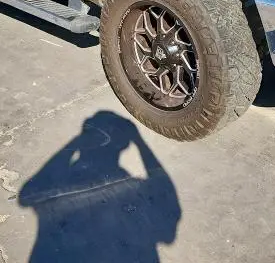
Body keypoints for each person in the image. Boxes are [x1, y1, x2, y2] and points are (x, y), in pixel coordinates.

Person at [19, 110, 181, 263]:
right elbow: (168, 219)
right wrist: (139, 142)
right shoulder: (131, 186)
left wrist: (78, 141)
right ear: (123, 145)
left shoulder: (71, 180)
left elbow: (29, 194)